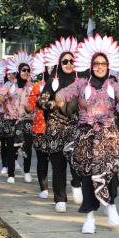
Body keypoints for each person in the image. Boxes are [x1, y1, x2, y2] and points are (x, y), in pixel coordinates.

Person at [56, 34, 119, 234]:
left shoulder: (112, 84)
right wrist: (60, 98)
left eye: (103, 63)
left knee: (109, 173)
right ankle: (89, 218)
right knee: (88, 177)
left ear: (108, 66)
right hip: (86, 137)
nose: (99, 66)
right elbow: (64, 93)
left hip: (108, 136)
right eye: (96, 63)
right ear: (91, 65)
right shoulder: (81, 83)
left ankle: (111, 205)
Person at [37, 37, 83, 212]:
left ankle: (76, 182)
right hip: (55, 127)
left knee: (76, 161)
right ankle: (60, 198)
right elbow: (40, 103)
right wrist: (53, 104)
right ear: (60, 63)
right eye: (65, 61)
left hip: (75, 127)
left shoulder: (81, 81)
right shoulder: (52, 81)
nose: (69, 64)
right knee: (58, 164)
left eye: (72, 61)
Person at [0, 51, 35, 184]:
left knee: (28, 148)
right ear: (18, 71)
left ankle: (26, 172)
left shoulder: (31, 87)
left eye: (28, 70)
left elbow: (34, 104)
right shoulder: (10, 85)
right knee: (11, 147)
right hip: (11, 120)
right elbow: (0, 96)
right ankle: (11, 173)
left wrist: (31, 107)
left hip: (26, 121)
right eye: (23, 70)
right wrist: (1, 98)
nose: (26, 72)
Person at [27, 50, 50, 199]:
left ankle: (69, 186)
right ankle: (44, 187)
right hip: (40, 127)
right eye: (48, 65)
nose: (51, 67)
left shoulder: (65, 84)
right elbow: (29, 107)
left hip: (59, 129)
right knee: (42, 158)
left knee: (58, 160)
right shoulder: (37, 86)